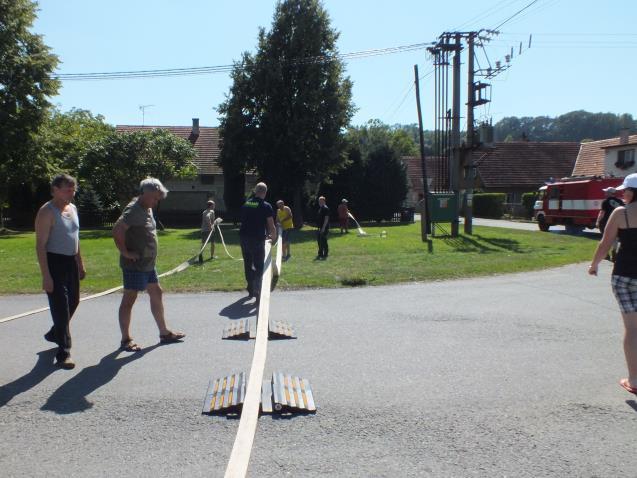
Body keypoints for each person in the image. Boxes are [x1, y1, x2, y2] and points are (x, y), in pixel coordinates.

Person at [112, 178, 185, 351]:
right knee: (129, 298)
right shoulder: (134, 210)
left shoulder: (147, 207)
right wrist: (125, 252)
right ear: (145, 193)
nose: (156, 201)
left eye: (158, 199)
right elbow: (117, 231)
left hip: (148, 263)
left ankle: (164, 332)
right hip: (135, 264)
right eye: (154, 198)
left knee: (157, 292)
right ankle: (125, 339)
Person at [589, 173, 637, 395]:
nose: (622, 194)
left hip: (624, 276)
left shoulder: (621, 213)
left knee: (632, 329)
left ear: (631, 192)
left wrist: (594, 265)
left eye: (624, 190)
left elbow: (605, 242)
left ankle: (634, 380)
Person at [35, 174, 86, 369]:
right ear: (55, 189)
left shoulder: (72, 208)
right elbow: (40, 245)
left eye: (73, 189)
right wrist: (46, 275)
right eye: (67, 189)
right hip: (54, 263)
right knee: (61, 308)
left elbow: (76, 237)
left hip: (70, 262)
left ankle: (54, 333)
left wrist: (80, 263)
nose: (71, 193)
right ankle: (64, 352)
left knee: (74, 301)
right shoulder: (46, 212)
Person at [239, 182, 278, 300]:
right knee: (259, 265)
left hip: (244, 237)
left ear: (255, 191)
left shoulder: (246, 203)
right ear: (265, 192)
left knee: (247, 263)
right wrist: (274, 237)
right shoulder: (266, 206)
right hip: (257, 238)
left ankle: (250, 287)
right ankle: (257, 289)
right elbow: (271, 225)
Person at [316, 196, 330, 260]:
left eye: (321, 201)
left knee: (323, 241)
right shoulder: (320, 208)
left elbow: (326, 219)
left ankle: (325, 253)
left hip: (324, 227)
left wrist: (323, 228)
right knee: (319, 240)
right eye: (319, 201)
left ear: (324, 201)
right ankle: (320, 253)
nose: (320, 202)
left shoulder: (325, 208)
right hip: (320, 227)